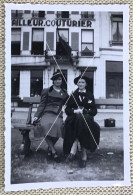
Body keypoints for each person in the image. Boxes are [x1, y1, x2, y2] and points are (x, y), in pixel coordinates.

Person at [63, 75, 100, 168]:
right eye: (79, 82)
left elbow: (94, 111)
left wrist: (86, 111)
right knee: (78, 120)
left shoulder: (90, 95)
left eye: (83, 82)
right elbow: (67, 110)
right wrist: (75, 111)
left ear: (86, 84)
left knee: (82, 120)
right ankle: (83, 154)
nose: (81, 84)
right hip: (74, 118)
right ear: (77, 84)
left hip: (87, 118)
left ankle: (73, 150)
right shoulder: (73, 95)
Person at [33, 70, 68, 162]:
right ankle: (53, 151)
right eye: (56, 79)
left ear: (62, 81)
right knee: (44, 125)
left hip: (58, 114)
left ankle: (50, 149)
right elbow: (42, 104)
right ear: (53, 81)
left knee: (59, 126)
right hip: (47, 113)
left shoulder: (64, 92)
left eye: (60, 79)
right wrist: (37, 116)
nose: (58, 81)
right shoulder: (46, 91)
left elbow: (68, 104)